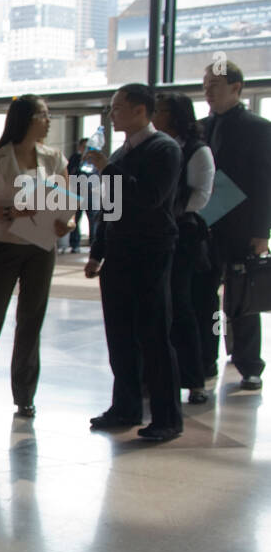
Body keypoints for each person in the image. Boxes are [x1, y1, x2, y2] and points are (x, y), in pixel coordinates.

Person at [0, 95, 73, 419]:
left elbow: (67, 202)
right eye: (44, 115)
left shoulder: (54, 158)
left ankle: (24, 396)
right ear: (27, 119)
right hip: (4, 247)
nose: (49, 121)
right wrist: (11, 211)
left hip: (42, 249)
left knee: (30, 323)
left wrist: (68, 222)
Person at [84, 84, 185, 441]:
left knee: (154, 335)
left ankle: (167, 417)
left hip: (151, 253)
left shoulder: (164, 150)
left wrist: (108, 168)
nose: (112, 115)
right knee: (120, 336)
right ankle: (125, 407)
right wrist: (97, 251)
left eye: (118, 108)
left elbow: (149, 198)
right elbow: (109, 209)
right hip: (120, 254)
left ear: (140, 110)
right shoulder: (122, 154)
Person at [201, 59, 271, 390]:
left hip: (241, 227)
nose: (208, 92)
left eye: (214, 86)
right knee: (202, 296)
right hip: (204, 228)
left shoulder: (258, 128)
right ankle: (204, 360)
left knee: (241, 298)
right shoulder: (200, 128)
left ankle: (249, 363)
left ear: (236, 87)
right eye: (204, 86)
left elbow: (264, 184)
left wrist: (261, 233)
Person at [155, 92, 215, 404]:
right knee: (157, 310)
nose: (155, 114)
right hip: (155, 234)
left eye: (161, 110)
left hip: (183, 235)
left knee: (182, 306)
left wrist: (166, 208)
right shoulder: (151, 146)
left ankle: (194, 379)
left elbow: (201, 196)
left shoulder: (196, 150)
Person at [66, 137, 89, 253]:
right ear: (80, 147)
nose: (86, 149)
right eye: (84, 147)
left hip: (90, 193)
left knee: (93, 220)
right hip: (77, 193)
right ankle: (75, 244)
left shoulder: (94, 159)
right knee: (75, 218)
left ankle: (93, 243)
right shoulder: (75, 158)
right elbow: (69, 173)